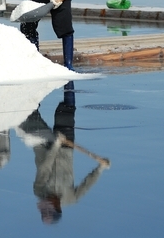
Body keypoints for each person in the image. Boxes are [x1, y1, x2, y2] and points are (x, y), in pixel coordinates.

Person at [18, 81, 109, 224]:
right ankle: (68, 79)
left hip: (43, 145)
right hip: (65, 149)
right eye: (49, 206)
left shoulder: (39, 190)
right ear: (58, 207)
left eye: (44, 207)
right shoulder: (71, 198)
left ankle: (31, 88)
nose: (45, 201)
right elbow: (87, 184)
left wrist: (55, 145)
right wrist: (100, 168)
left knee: (26, 115)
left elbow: (45, 167)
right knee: (65, 111)